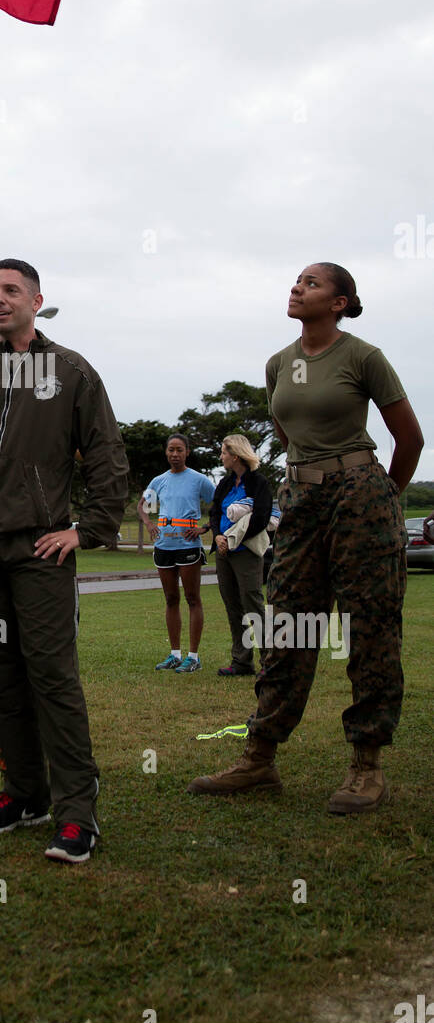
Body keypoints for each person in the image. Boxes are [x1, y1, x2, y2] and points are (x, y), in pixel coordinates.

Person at [189, 263, 424, 813]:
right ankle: (259, 758)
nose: (297, 288)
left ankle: (367, 766)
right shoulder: (278, 364)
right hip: (301, 497)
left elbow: (409, 437)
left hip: (360, 492)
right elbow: (286, 431)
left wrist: (384, 493)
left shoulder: (363, 357)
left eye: (311, 284)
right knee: (289, 621)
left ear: (339, 303)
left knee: (368, 624)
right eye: (297, 281)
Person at [0, 259, 129, 864]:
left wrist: (86, 529)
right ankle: (24, 793)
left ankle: (77, 812)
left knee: (51, 678)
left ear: (38, 300)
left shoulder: (70, 372)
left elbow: (107, 455)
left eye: (11, 290)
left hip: (39, 547)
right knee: (1, 679)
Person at [139, 436, 214, 673]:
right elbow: (142, 506)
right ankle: (174, 654)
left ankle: (193, 657)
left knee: (193, 598)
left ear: (187, 452)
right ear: (166, 452)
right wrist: (150, 524)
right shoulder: (159, 480)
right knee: (171, 599)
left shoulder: (199, 480)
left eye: (179, 450)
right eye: (171, 450)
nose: (175, 454)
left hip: (189, 547)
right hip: (164, 547)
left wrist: (204, 528)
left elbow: (219, 505)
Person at [209, 434, 272, 677]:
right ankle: (241, 661)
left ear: (235, 455)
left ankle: (269, 662)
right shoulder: (224, 484)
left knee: (253, 604)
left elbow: (261, 517)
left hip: (246, 552)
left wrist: (234, 538)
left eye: (224, 452)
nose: (221, 456)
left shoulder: (258, 483)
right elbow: (214, 512)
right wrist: (217, 536)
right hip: (223, 552)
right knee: (233, 606)